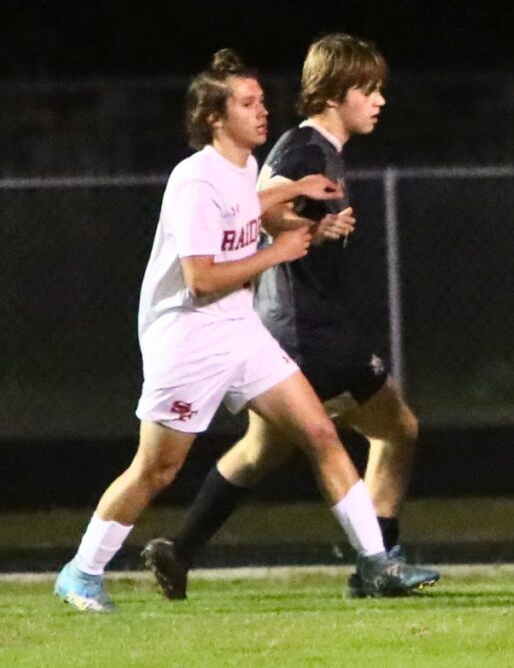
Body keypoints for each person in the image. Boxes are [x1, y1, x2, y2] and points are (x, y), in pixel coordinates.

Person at [54, 49, 437, 612]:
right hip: (189, 339)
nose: (264, 112)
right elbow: (201, 279)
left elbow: (248, 208)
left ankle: (378, 563)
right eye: (248, 103)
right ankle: (81, 571)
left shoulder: (241, 170)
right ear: (215, 117)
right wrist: (279, 249)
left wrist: (293, 197)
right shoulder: (195, 181)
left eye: (261, 101)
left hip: (242, 332)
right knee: (157, 468)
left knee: (322, 435)